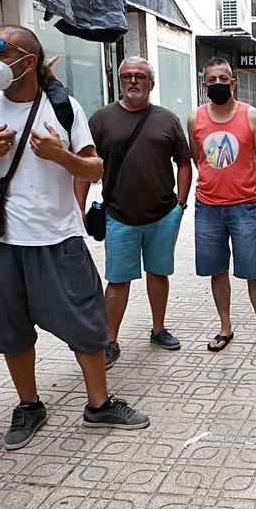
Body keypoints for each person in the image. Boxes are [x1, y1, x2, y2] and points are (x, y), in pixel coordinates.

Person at [0, 25, 149, 453]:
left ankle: (99, 403)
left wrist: (60, 156)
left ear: (27, 61)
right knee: (10, 329)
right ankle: (29, 404)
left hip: (58, 237)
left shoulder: (63, 107)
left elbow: (94, 170)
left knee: (87, 325)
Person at [84, 56, 193, 366]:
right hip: (119, 217)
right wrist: (78, 208)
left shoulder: (167, 119)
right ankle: (109, 340)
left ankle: (158, 329)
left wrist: (180, 205)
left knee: (158, 275)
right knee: (117, 281)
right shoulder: (102, 119)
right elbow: (85, 166)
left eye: (140, 76)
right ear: (120, 81)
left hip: (162, 216)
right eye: (127, 76)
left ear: (151, 83)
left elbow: (184, 162)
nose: (133, 81)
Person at [186, 58, 256, 357]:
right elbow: (200, 159)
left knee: (254, 271)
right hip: (207, 208)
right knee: (217, 270)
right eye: (212, 79)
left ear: (233, 83)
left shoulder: (252, 116)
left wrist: (248, 190)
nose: (218, 84)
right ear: (204, 85)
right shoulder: (194, 119)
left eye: (224, 78)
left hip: (243, 208)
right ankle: (225, 327)